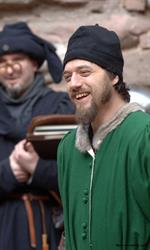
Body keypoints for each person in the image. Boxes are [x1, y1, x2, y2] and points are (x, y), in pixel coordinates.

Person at [57, 24, 150, 250]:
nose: (74, 83)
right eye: (68, 76)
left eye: (85, 72)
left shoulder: (143, 135)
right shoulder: (67, 148)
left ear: (114, 76)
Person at [0, 21, 75, 250]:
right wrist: (9, 170)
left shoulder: (59, 107)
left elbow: (80, 173)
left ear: (34, 63)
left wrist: (37, 169)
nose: (10, 68)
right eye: (3, 63)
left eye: (18, 60)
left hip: (50, 227)